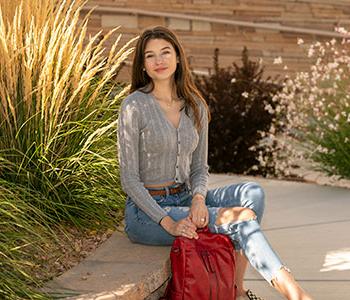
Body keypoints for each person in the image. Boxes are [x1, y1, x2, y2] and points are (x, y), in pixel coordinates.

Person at [117, 25, 312, 300]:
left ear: (177, 58)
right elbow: (129, 180)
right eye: (150, 56)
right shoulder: (134, 106)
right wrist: (169, 224)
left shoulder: (195, 104)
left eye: (165, 52)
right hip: (146, 214)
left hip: (185, 197)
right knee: (241, 221)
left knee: (252, 193)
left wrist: (198, 199)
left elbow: (199, 168)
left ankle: (235, 286)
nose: (159, 61)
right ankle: (298, 295)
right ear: (143, 65)